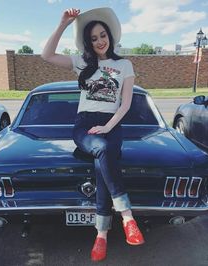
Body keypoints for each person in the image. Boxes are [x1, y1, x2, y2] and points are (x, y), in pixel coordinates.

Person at [42, 7, 145, 262]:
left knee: (103, 160)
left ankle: (101, 235)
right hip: (85, 125)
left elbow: (126, 104)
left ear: (109, 35)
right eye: (93, 39)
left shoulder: (124, 65)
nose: (99, 41)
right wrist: (63, 23)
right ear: (88, 43)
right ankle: (127, 217)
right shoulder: (82, 62)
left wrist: (109, 126)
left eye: (102, 35)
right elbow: (47, 55)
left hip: (112, 124)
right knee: (101, 148)